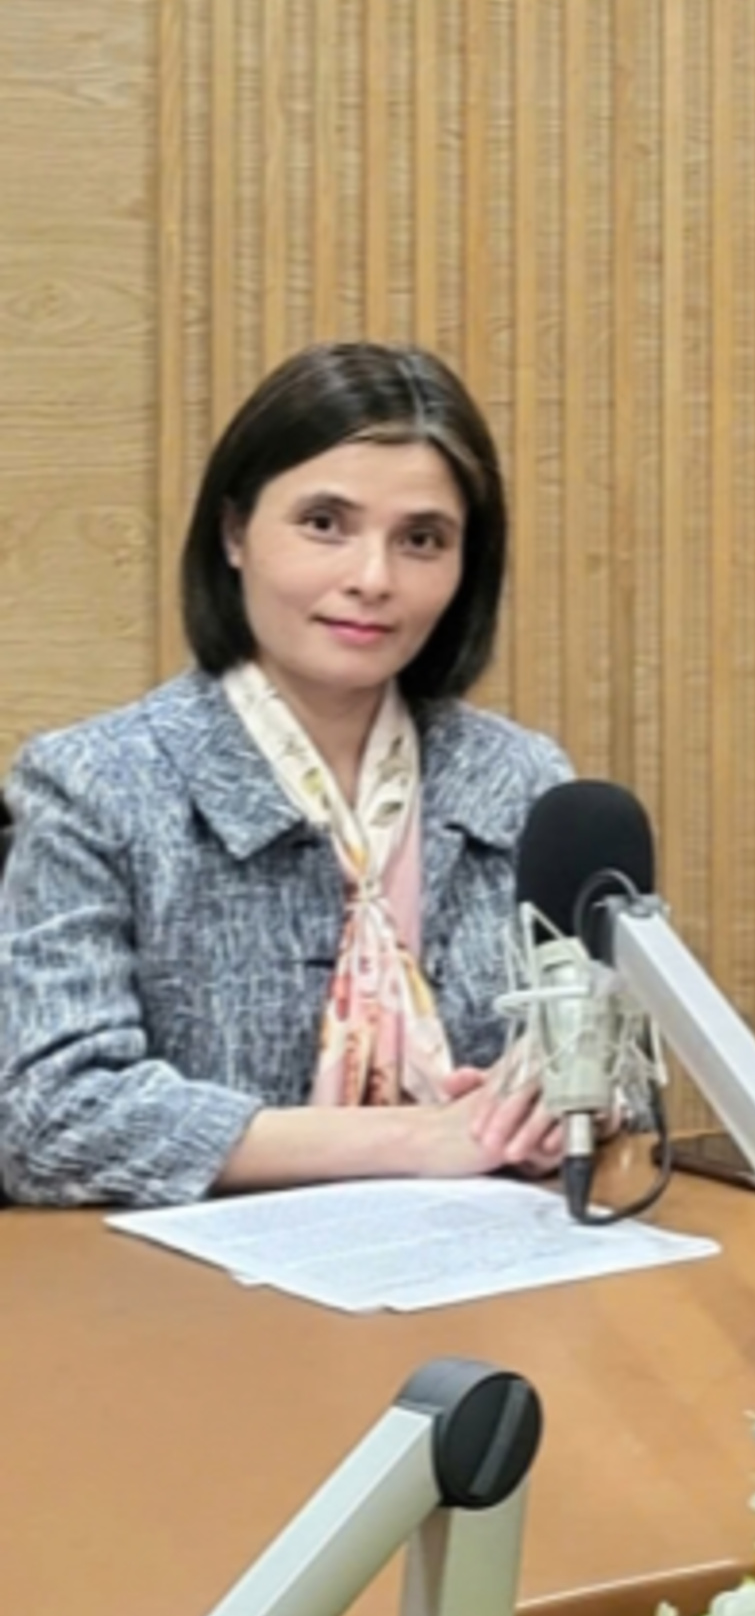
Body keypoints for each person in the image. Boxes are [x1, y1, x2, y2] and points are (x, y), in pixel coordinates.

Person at [0, 343, 575, 1207]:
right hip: (196, 1279)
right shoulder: (95, 785)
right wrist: (417, 1139)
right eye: (324, 524)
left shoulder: (522, 782)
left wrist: (555, 1106)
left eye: (422, 540)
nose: (372, 579)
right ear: (234, 532)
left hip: (487, 1261)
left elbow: (614, 1074)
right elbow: (50, 1122)